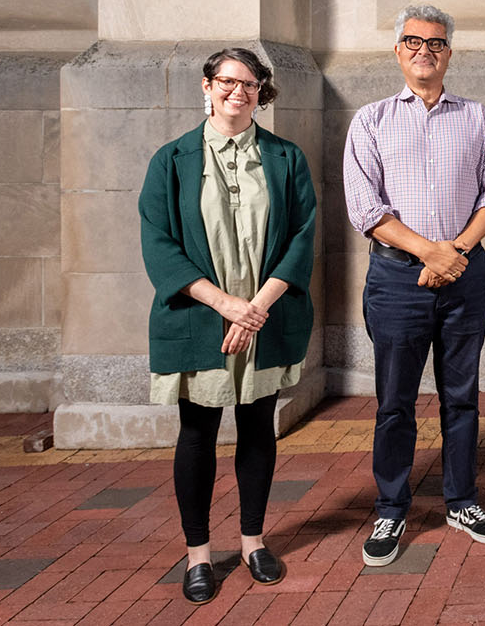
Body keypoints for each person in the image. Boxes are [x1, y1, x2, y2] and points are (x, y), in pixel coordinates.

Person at [139, 47, 316, 605]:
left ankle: (253, 542)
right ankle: (197, 554)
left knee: (259, 428)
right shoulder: (171, 160)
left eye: (251, 85)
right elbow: (159, 245)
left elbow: (302, 238)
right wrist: (226, 306)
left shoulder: (286, 158)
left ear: (262, 92)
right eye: (228, 82)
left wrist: (255, 308)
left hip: (266, 313)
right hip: (200, 318)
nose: (239, 92)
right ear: (206, 86)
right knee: (197, 433)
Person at [343, 4, 485, 566]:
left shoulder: (477, 116)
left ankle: (461, 500)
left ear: (448, 53)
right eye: (413, 42)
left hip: (465, 275)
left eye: (436, 43)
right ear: (398, 51)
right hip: (397, 277)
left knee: (461, 397)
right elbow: (365, 207)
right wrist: (429, 252)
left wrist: (456, 253)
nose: (424, 51)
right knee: (395, 402)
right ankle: (391, 508)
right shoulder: (370, 120)